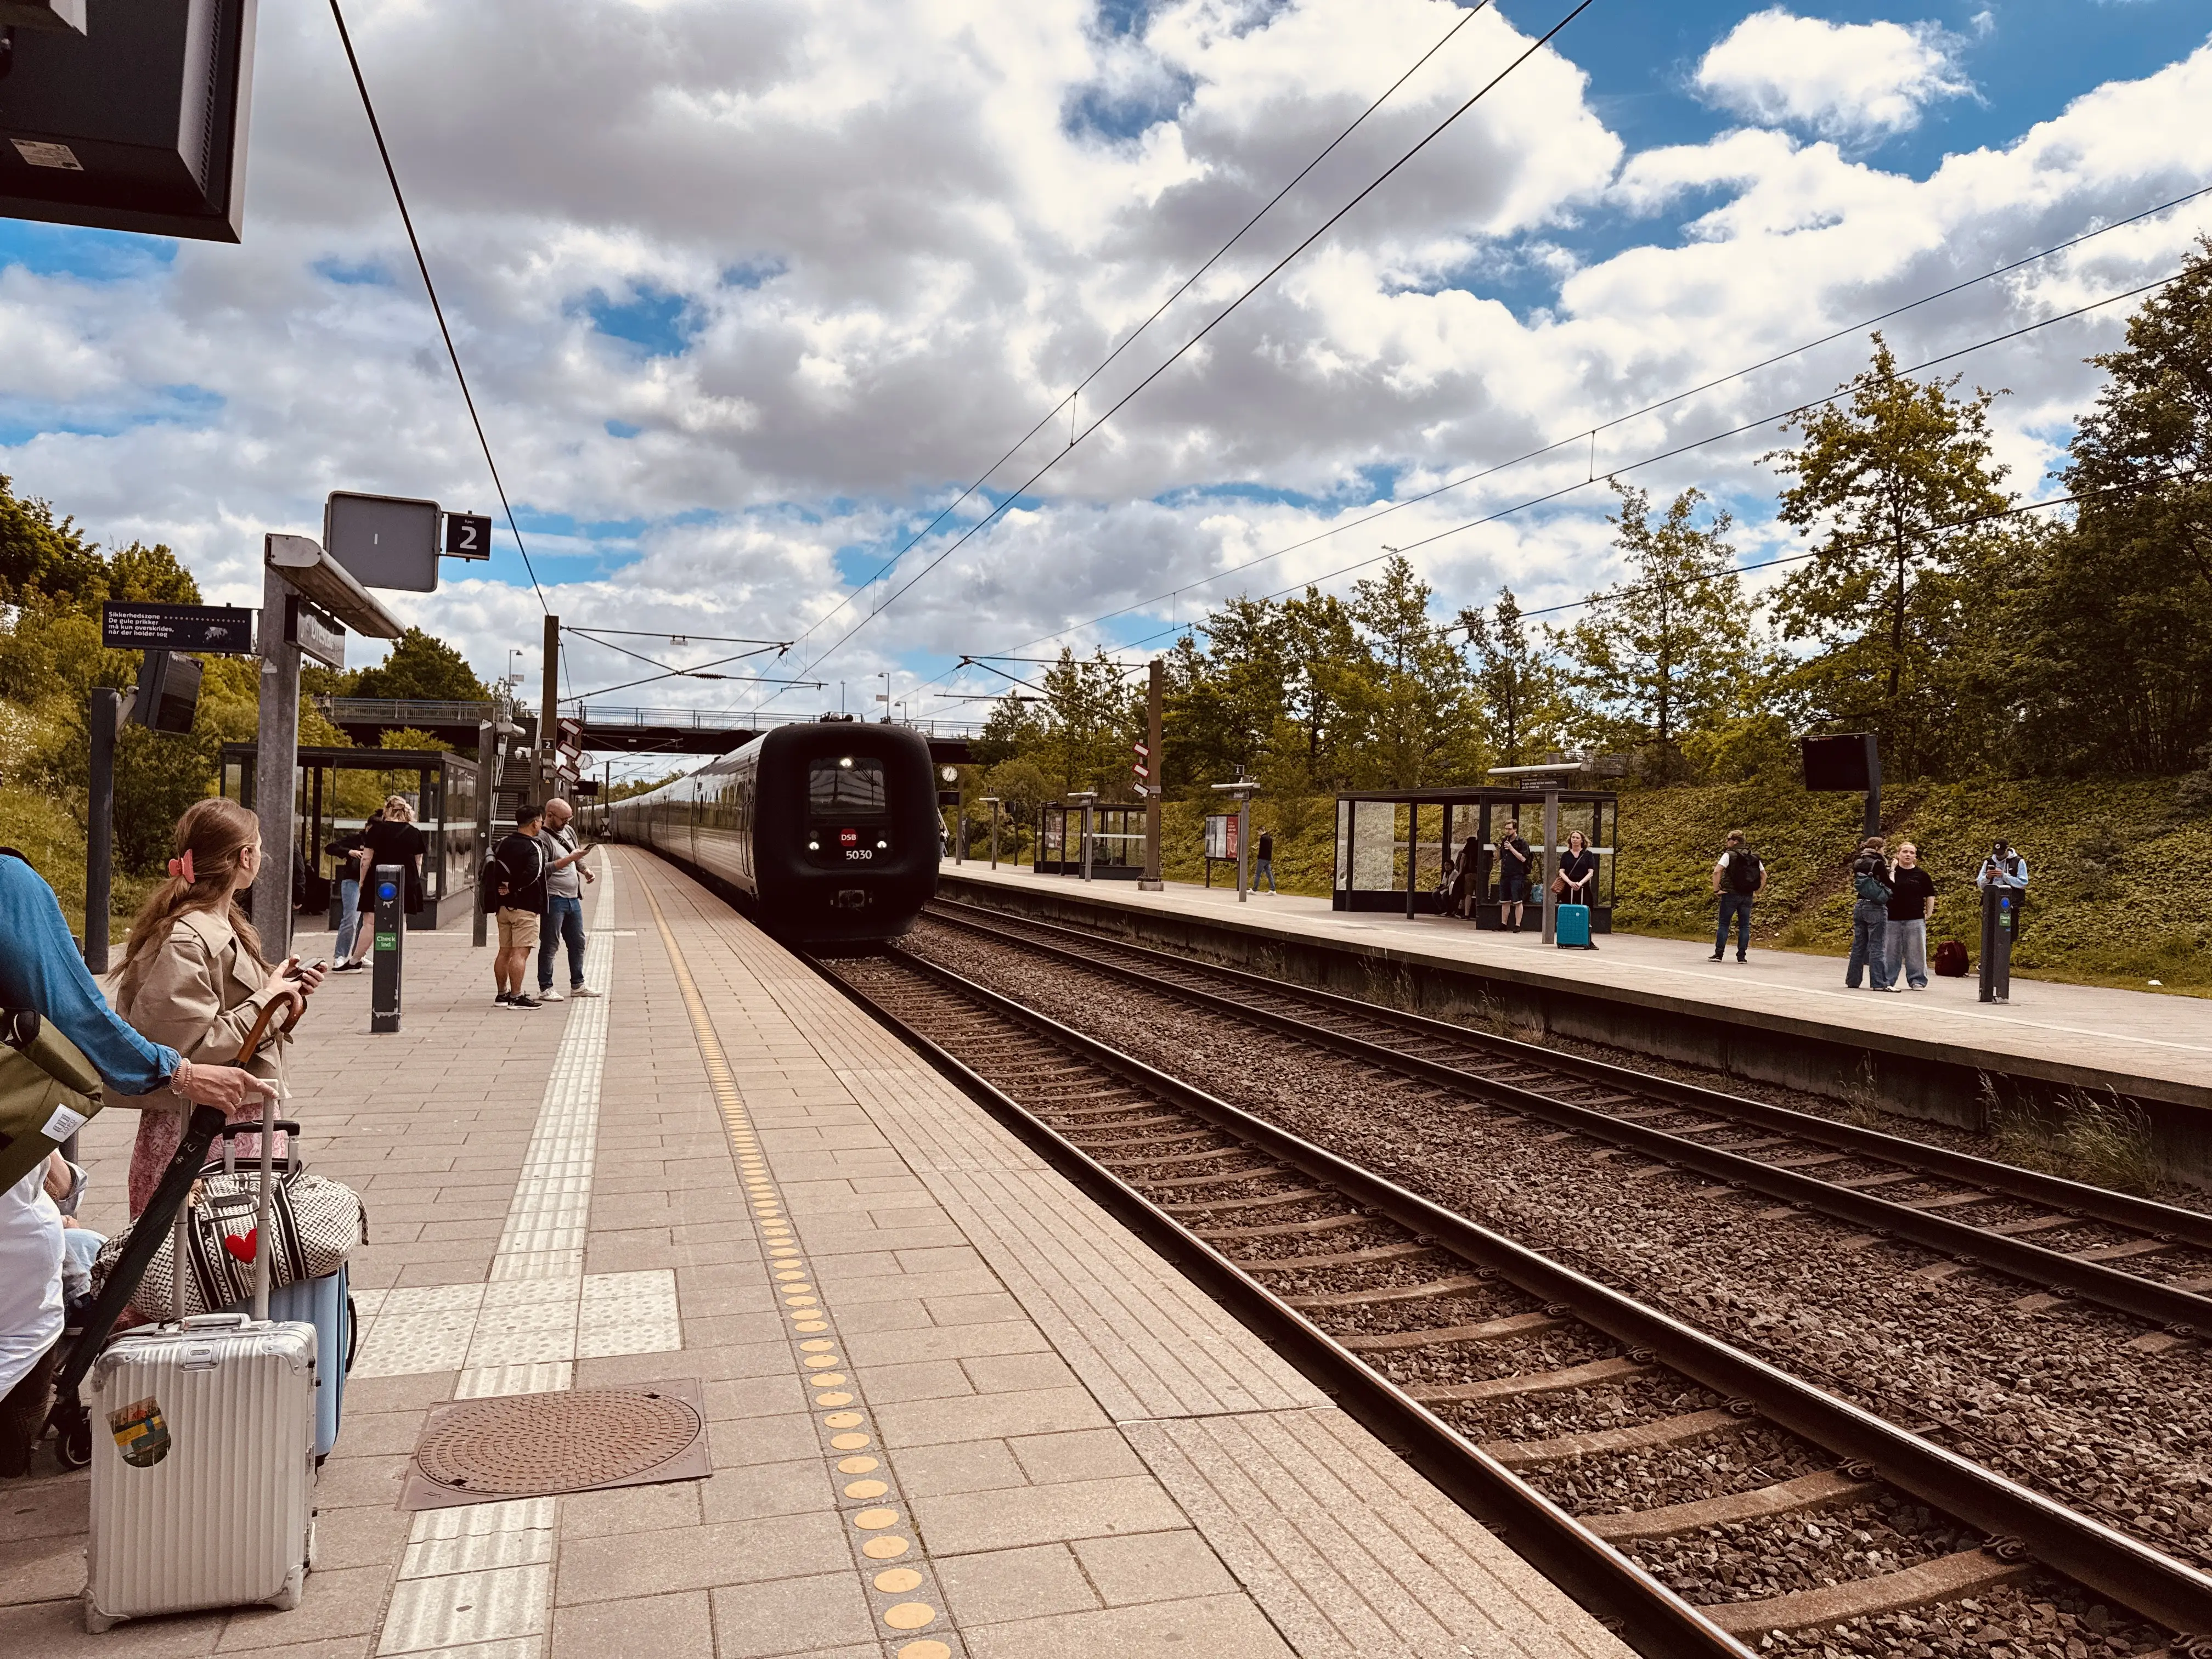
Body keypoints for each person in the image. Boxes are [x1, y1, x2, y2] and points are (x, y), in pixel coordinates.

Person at [0, 843, 278, 1477]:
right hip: (35, 1142)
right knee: (31, 1313)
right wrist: (179, 1072)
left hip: (28, 1150)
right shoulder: (9, 883)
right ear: (242, 857)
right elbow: (75, 1010)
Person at [114, 798, 324, 1217]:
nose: (261, 855)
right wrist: (269, 999)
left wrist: (281, 991)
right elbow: (186, 1050)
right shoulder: (190, 938)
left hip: (225, 1123)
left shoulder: (215, 925)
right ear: (245, 857)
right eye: (258, 846)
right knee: (206, 1250)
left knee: (227, 1250)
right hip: (207, 1129)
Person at [336, 795, 427, 970]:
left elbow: (366, 860)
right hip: (405, 880)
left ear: (388, 810)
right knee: (401, 920)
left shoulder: (376, 830)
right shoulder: (414, 832)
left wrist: (362, 881)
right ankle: (395, 958)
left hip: (377, 880)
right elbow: (419, 862)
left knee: (370, 922)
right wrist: (413, 882)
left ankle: (355, 960)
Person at [536, 798, 601, 1002]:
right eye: (563, 819)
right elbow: (543, 869)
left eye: (569, 819)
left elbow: (577, 855)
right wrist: (570, 859)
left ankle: (578, 985)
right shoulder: (542, 838)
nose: (566, 823)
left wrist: (585, 870)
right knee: (550, 944)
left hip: (573, 898)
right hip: (553, 898)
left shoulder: (569, 831)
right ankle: (546, 987)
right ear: (549, 816)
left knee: (578, 942)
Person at [491, 804, 549, 1009]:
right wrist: (514, 886)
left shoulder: (502, 843)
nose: (541, 825)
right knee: (520, 953)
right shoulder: (534, 846)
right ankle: (516, 997)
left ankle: (502, 995)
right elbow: (534, 873)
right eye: (541, 821)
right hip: (525, 907)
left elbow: (490, 868)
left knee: (504, 952)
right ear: (534, 823)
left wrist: (504, 888)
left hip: (503, 907)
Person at [325, 807, 381, 972]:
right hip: (353, 881)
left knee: (367, 922)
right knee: (351, 919)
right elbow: (330, 848)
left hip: (371, 883)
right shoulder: (356, 839)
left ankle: (359, 954)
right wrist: (350, 852)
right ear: (367, 827)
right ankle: (340, 955)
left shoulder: (381, 841)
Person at [1876, 842, 1938, 991]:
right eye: (1905, 852)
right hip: (1892, 918)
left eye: (1912, 853)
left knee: (1916, 952)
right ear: (1898, 854)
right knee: (1890, 952)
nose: (1908, 855)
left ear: (1915, 856)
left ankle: (1917, 980)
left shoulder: (1922, 875)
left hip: (1915, 919)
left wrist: (1929, 913)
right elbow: (1883, 891)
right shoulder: (1891, 873)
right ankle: (1888, 980)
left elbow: (1930, 895)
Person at [1845, 834, 1895, 991]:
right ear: (1878, 849)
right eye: (1883, 848)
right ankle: (1879, 983)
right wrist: (1892, 870)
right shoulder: (1878, 863)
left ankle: (1853, 980)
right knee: (1877, 946)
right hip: (1875, 906)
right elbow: (1889, 883)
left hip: (1860, 904)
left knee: (1858, 945)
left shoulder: (1858, 862)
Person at [1708, 830, 1764, 962]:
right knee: (1744, 926)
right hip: (1747, 896)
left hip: (1730, 895)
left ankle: (1719, 954)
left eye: (1728, 840)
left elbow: (1717, 872)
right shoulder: (1752, 856)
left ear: (1735, 842)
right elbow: (1764, 875)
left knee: (1724, 924)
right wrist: (1757, 891)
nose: (1727, 842)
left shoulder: (1729, 855)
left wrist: (1716, 890)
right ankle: (1742, 956)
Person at [1556, 830, 1599, 950]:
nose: (1574, 840)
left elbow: (1591, 872)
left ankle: (1588, 940)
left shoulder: (1588, 855)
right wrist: (1570, 883)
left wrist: (1580, 883)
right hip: (1568, 888)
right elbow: (1561, 871)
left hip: (1583, 888)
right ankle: (1567, 938)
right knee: (1568, 912)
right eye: (1573, 838)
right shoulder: (1566, 855)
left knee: (1587, 913)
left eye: (1577, 838)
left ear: (1582, 840)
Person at [1497, 819, 1531, 933]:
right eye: (1506, 829)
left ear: (1515, 829)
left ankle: (1518, 925)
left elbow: (1524, 858)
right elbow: (1499, 858)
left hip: (1517, 874)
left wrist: (1512, 849)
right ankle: (1503, 923)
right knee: (1505, 901)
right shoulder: (1505, 841)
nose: (1507, 831)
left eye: (1510, 829)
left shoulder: (1521, 842)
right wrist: (1498, 850)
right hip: (1505, 874)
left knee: (1517, 900)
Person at [1253, 829, 1276, 894]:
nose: (1258, 834)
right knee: (1269, 874)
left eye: (1258, 832)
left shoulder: (1263, 838)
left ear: (1261, 831)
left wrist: (1259, 856)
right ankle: (1273, 889)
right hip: (1268, 858)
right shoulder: (1270, 837)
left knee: (1258, 874)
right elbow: (1267, 848)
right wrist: (1259, 847)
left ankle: (1254, 889)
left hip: (1262, 858)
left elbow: (1262, 850)